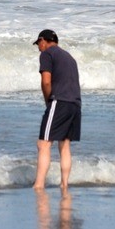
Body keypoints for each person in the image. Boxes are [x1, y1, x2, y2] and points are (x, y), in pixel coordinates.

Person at [32, 29, 81, 190]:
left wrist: (48, 102)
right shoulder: (69, 57)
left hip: (59, 101)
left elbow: (46, 82)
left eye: (38, 44)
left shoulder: (47, 54)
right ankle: (64, 184)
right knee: (65, 145)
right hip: (75, 103)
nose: (38, 47)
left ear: (43, 40)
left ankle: (39, 185)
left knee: (44, 143)